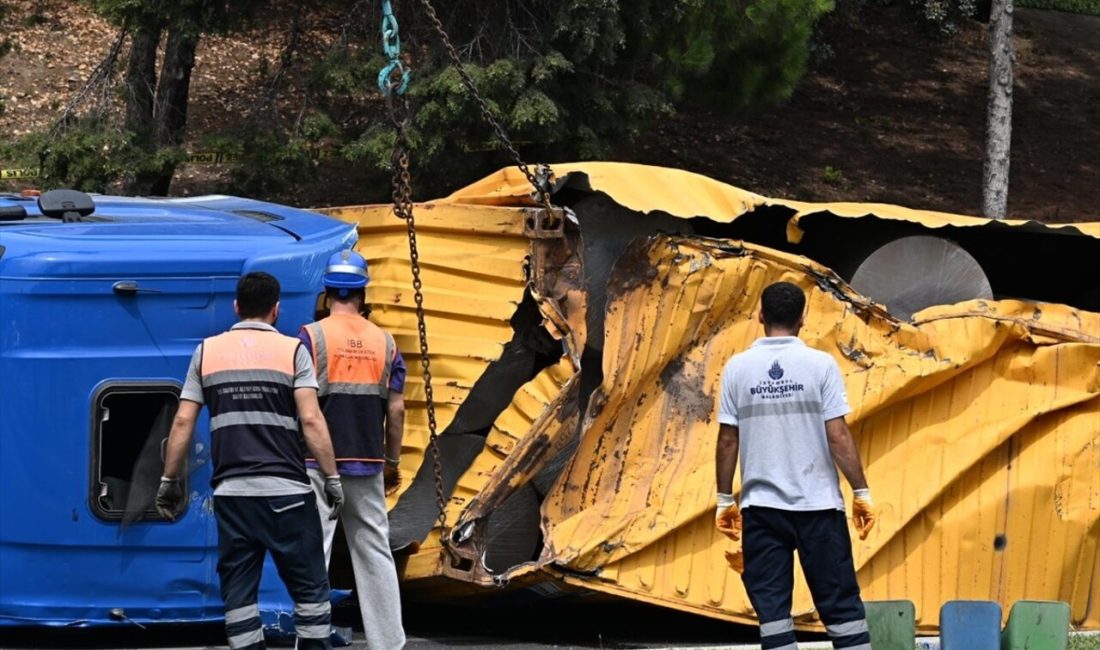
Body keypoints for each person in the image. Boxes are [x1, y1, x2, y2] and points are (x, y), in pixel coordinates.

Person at [156, 271, 345, 650]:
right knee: (310, 590)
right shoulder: (294, 352)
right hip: (288, 494)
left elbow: (182, 420)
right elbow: (310, 419)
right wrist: (332, 476)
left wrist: (169, 481)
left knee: (239, 597)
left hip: (233, 494)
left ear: (237, 307)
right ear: (276, 310)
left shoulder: (206, 352)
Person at [714, 281, 876, 650]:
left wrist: (725, 499)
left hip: (762, 511)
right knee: (843, 612)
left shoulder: (737, 369)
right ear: (803, 317)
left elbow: (727, 440)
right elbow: (838, 437)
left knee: (773, 619)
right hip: (818, 508)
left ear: (760, 315)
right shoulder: (821, 365)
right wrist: (861, 491)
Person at [298, 249, 407, 650]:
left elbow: (303, 403)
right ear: (362, 294)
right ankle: (389, 642)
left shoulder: (310, 337)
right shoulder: (387, 343)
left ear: (328, 293)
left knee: (314, 555)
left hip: (317, 463)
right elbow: (395, 411)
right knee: (375, 551)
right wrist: (391, 461)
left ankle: (308, 640)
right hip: (368, 462)